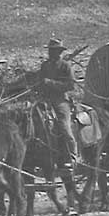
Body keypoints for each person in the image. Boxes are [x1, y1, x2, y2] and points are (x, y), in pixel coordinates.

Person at [36, 38, 78, 172]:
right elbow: (40, 81)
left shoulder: (66, 65)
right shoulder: (45, 66)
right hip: (44, 100)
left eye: (54, 51)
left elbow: (70, 85)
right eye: (50, 51)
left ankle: (72, 155)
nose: (51, 53)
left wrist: (50, 83)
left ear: (59, 52)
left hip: (60, 101)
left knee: (64, 127)